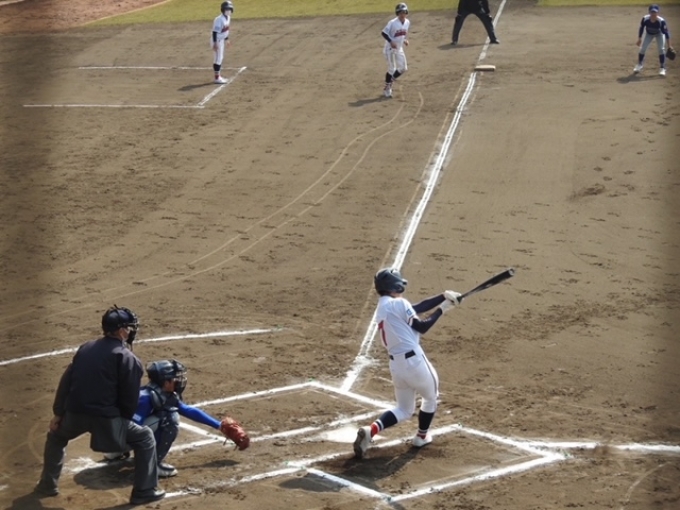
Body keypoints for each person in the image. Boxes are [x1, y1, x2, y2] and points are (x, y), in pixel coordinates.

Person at [34, 306, 165, 506]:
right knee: (145, 437)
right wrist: (122, 425)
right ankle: (145, 491)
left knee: (56, 437)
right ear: (121, 330)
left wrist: (58, 414)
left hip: (75, 414)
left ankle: (47, 485)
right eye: (128, 328)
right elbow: (129, 399)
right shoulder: (128, 358)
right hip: (106, 419)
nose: (130, 331)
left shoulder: (85, 348)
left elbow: (66, 381)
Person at [353, 268, 462, 459]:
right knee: (430, 398)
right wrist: (442, 309)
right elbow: (422, 326)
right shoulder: (399, 304)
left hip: (396, 367)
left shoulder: (384, 307)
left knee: (404, 409)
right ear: (395, 286)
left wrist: (443, 296)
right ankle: (421, 436)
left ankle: (371, 430)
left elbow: (416, 308)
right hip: (415, 363)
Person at [104, 359, 250, 477]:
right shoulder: (145, 399)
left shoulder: (160, 394)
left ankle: (114, 452)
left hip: (110, 434)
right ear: (165, 382)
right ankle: (153, 464)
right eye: (175, 379)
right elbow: (130, 428)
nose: (179, 381)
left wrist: (219, 425)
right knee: (170, 418)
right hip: (118, 435)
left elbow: (188, 410)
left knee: (156, 420)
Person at [634, 4, 674, 76]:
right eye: (652, 12)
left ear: (657, 13)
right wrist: (639, 38)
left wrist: (669, 46)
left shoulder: (661, 21)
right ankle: (639, 65)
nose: (653, 14)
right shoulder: (645, 19)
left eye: (655, 12)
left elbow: (666, 34)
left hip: (659, 34)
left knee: (661, 49)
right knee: (643, 49)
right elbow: (641, 28)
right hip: (649, 34)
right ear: (649, 12)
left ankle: (662, 68)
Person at [381, 3, 410, 98]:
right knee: (392, 69)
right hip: (390, 49)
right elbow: (384, 33)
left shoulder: (407, 22)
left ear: (406, 12)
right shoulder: (392, 22)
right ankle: (387, 88)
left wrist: (405, 40)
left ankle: (390, 81)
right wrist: (391, 41)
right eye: (400, 13)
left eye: (404, 12)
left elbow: (403, 33)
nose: (402, 14)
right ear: (397, 13)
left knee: (403, 68)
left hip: (399, 48)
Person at [212, 1, 234, 84]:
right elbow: (215, 32)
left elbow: (225, 30)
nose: (228, 11)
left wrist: (227, 39)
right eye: (226, 9)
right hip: (217, 40)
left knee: (220, 58)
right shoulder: (219, 19)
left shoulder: (228, 18)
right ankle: (217, 78)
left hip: (221, 40)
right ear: (223, 10)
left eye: (229, 9)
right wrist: (215, 43)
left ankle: (218, 77)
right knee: (218, 58)